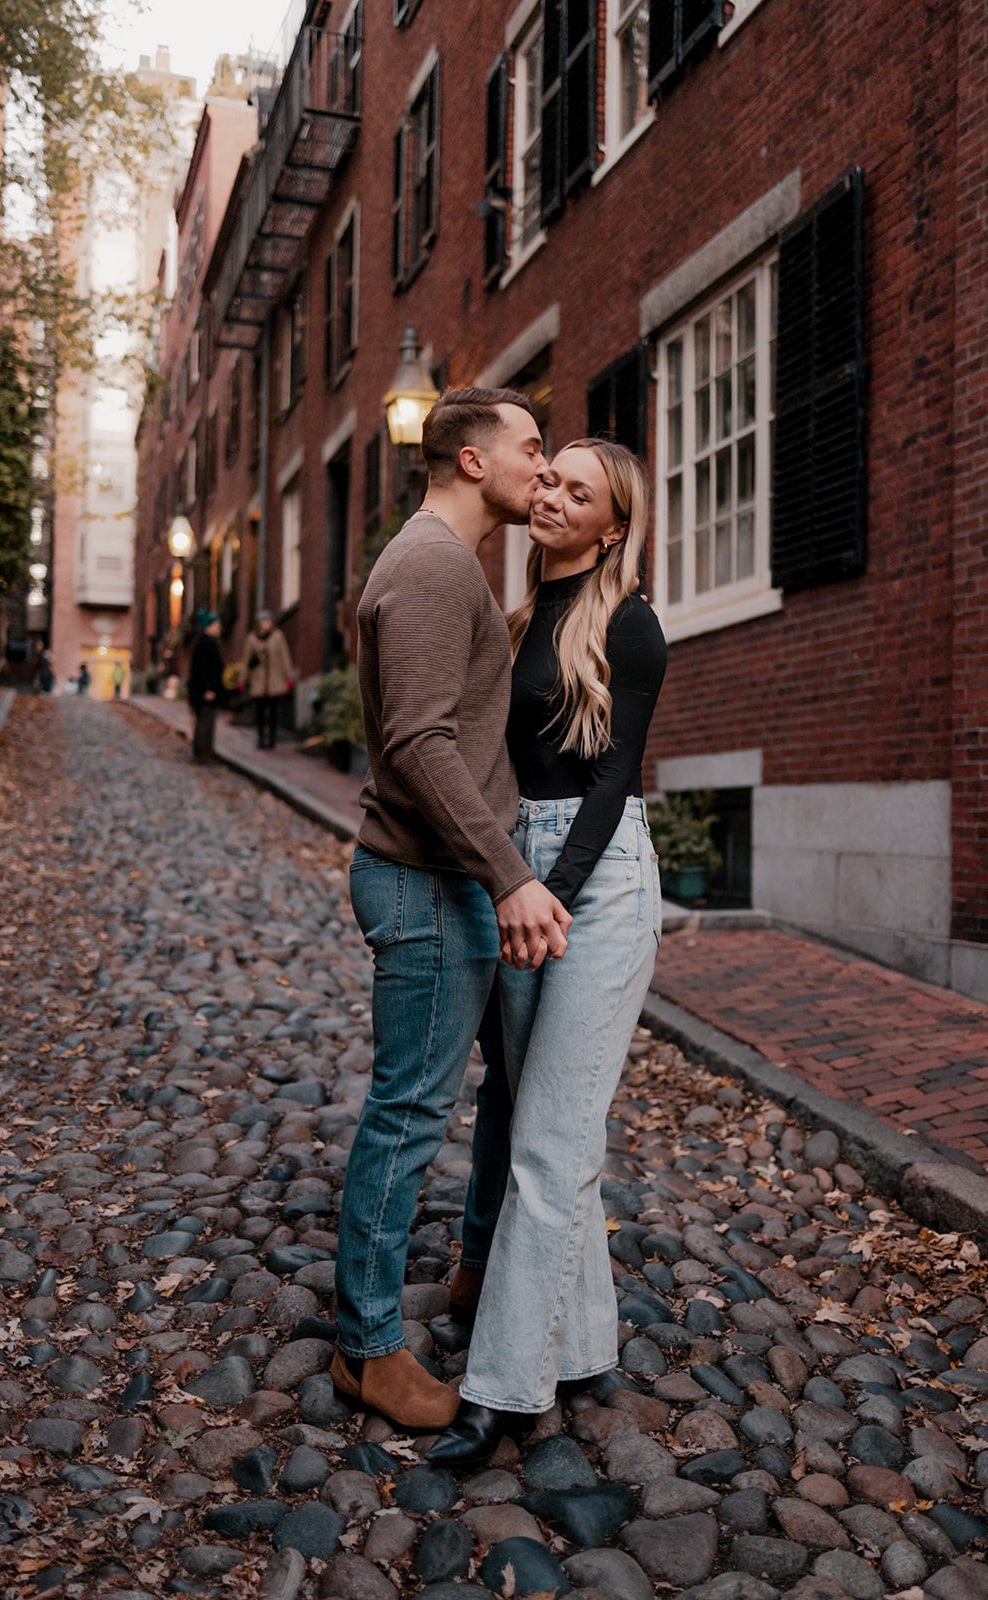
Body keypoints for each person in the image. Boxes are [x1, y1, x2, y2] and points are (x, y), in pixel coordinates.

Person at [330, 387, 573, 1434]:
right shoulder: (430, 565)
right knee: (409, 1114)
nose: (543, 465)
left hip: (455, 877)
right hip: (432, 882)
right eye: (529, 447)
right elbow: (422, 744)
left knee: (508, 1085)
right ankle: (369, 1346)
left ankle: (476, 1272)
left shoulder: (444, 562)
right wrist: (507, 873)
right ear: (471, 461)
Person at [426, 438, 667, 1468]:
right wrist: (502, 881)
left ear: (611, 524)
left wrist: (547, 897)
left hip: (596, 880)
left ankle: (502, 1386)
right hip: (519, 872)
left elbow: (613, 780)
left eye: (580, 491)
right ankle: (583, 1348)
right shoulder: (517, 620)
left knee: (548, 1143)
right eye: (551, 481)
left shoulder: (629, 622)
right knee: (544, 1123)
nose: (554, 497)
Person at [245, 610, 293, 749]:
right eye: (264, 621)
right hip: (259, 680)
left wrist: (289, 676)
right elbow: (246, 658)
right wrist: (243, 679)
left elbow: (285, 657)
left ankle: (272, 739)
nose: (267, 624)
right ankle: (260, 737)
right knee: (260, 711)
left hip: (275, 680)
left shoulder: (278, 636)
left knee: (273, 712)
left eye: (269, 621)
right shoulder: (252, 638)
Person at [188, 612, 225, 764]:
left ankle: (203, 751)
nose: (220, 628)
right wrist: (209, 689)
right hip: (205, 691)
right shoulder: (206, 644)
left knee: (205, 720)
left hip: (202, 690)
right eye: (217, 625)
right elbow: (206, 669)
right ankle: (203, 753)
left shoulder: (206, 642)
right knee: (205, 721)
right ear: (208, 627)